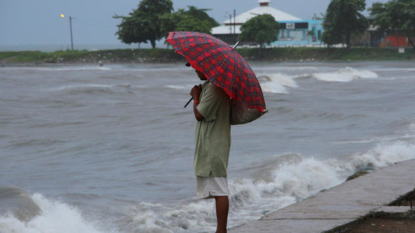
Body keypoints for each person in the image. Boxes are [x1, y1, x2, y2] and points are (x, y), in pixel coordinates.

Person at [190, 69, 232, 233]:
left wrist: (195, 97)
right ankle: (220, 230)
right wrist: (199, 95)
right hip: (211, 143)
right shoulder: (210, 86)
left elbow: (200, 114)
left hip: (213, 145)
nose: (195, 70)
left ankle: (221, 230)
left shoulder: (215, 88)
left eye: (197, 67)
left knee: (219, 189)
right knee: (217, 188)